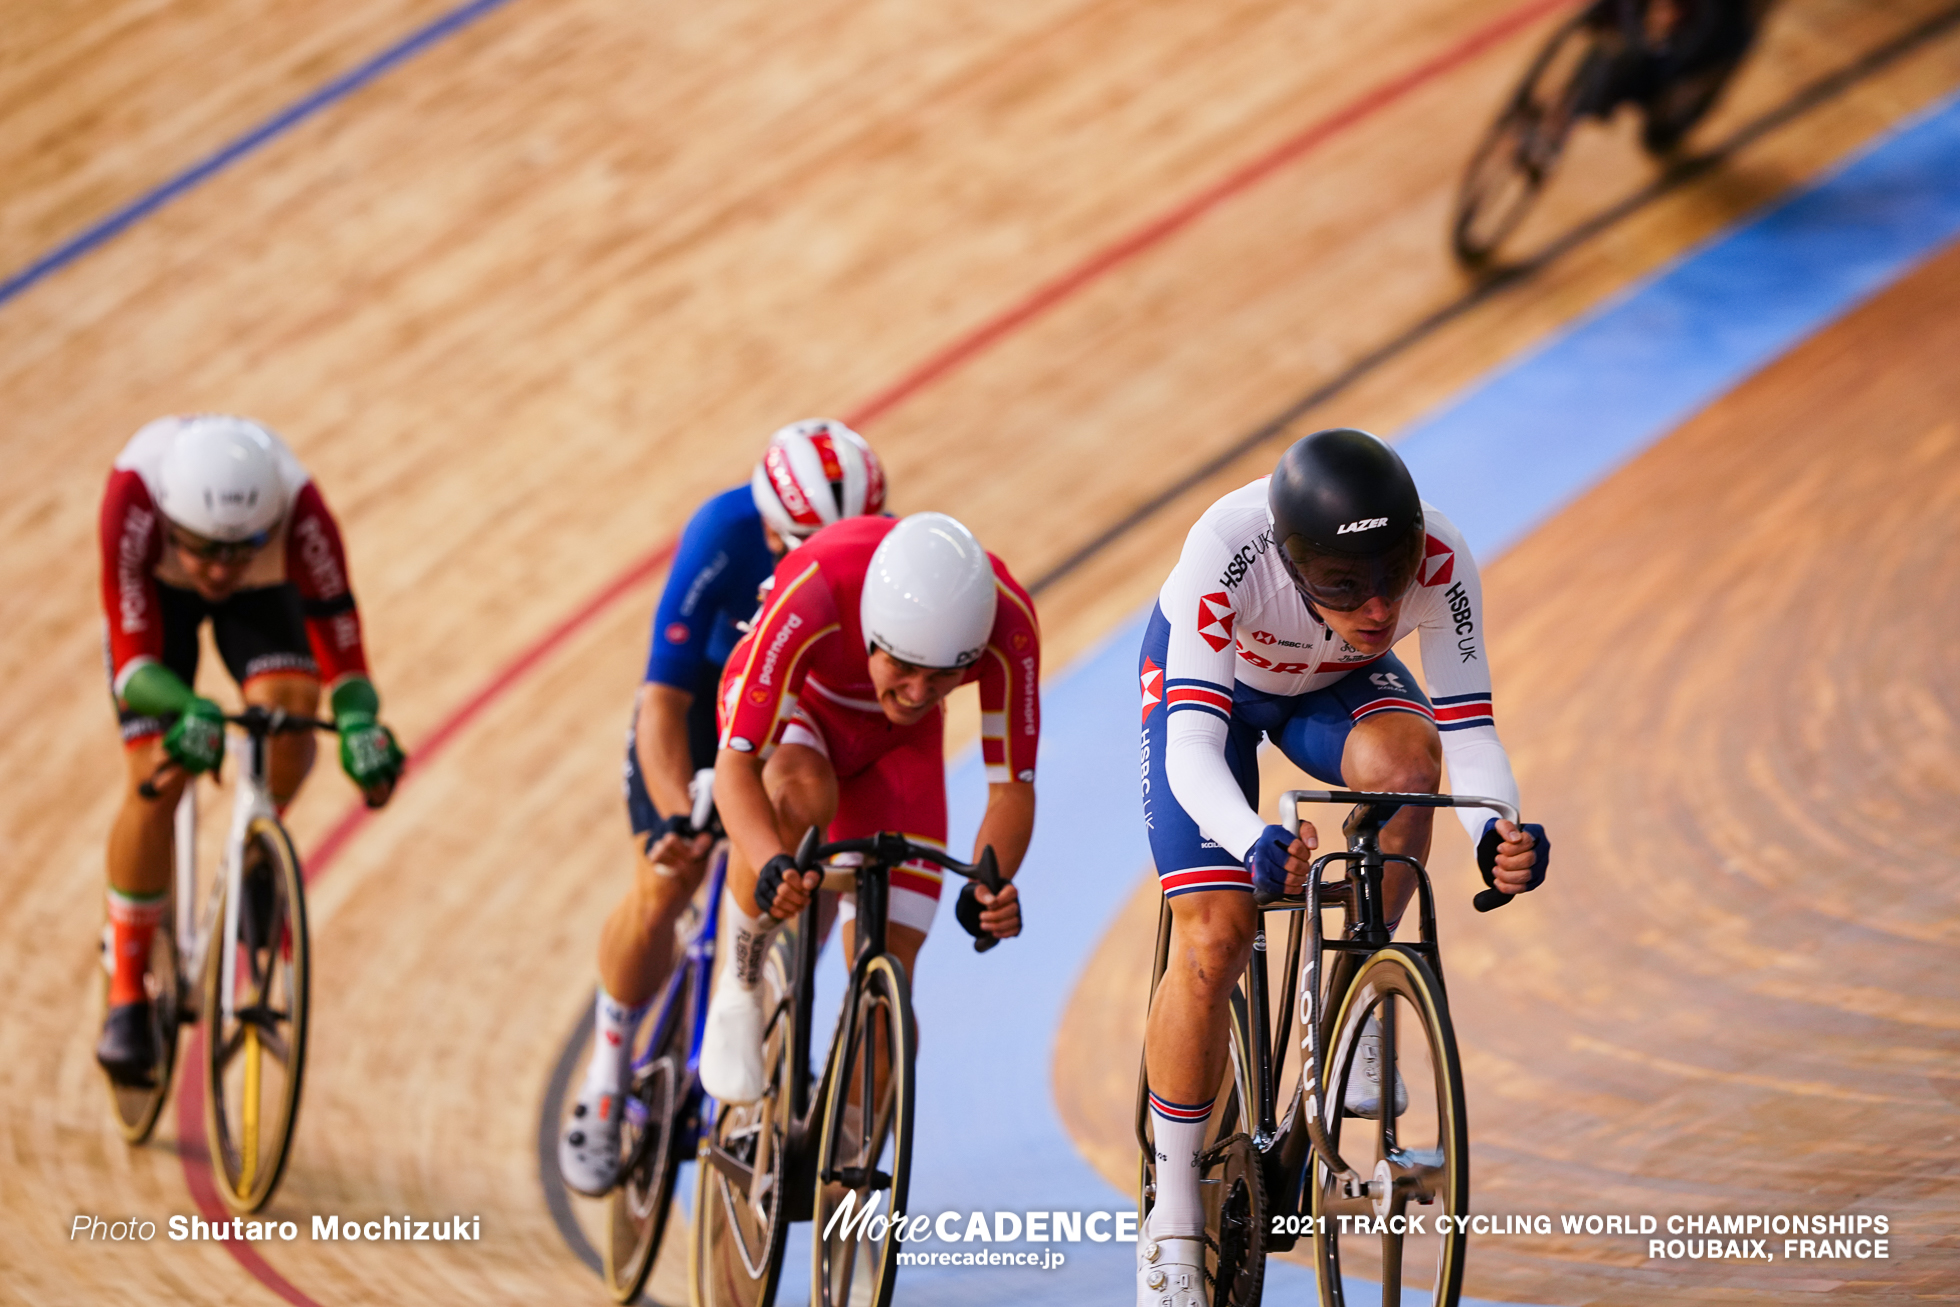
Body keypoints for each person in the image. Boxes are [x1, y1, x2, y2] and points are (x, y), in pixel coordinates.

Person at [1135, 428, 1549, 1306]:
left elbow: (1468, 731)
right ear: (1292, 565)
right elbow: (1192, 753)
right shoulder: (1227, 548)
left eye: (1389, 581)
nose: (1375, 610)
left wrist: (1496, 834)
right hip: (1211, 694)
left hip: (1328, 687)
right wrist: (1251, 840)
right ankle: (1172, 1217)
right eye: (1343, 588)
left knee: (1410, 767)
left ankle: (1352, 1001)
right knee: (1214, 935)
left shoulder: (1440, 553)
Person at [559, 418, 887, 1196]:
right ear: (773, 532)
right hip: (708, 710)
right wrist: (677, 815)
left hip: (799, 716)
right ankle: (607, 1071)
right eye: (809, 541)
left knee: (800, 871)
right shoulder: (723, 532)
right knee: (664, 883)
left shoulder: (879, 550)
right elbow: (664, 698)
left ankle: (776, 1016)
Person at [95, 414, 404, 1085]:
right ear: (173, 523)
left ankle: (260, 848)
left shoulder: (302, 512)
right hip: (155, 603)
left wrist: (360, 726)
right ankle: (125, 987)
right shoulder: (134, 497)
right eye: (203, 549)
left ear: (272, 522)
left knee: (294, 705)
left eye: (238, 549)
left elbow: (347, 662)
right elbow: (131, 665)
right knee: (156, 774)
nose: (217, 568)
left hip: (264, 599)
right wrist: (185, 707)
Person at [697, 510, 1040, 1106]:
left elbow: (1012, 785)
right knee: (803, 791)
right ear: (870, 632)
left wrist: (989, 883)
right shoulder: (816, 589)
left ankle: (838, 1173)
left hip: (897, 750)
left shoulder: (1007, 623)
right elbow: (737, 768)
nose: (915, 692)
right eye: (902, 667)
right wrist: (770, 860)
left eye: (942, 678)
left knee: (888, 990)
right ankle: (741, 981)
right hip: (801, 711)